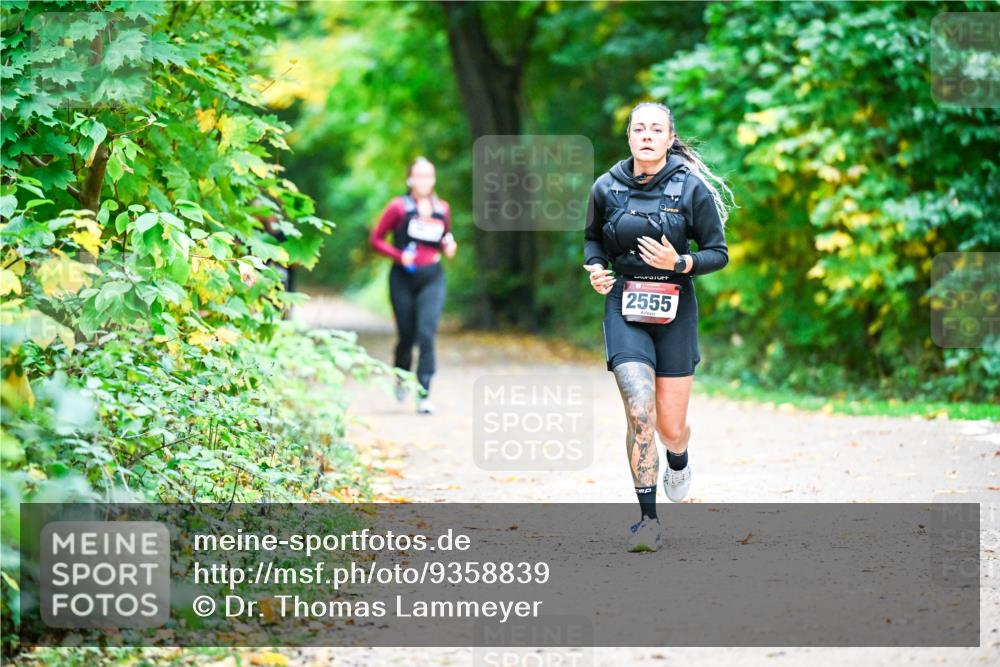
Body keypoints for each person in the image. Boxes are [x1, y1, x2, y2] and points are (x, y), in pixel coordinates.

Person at [583, 102, 735, 552]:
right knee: (639, 410)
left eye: (657, 129)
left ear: (670, 139)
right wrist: (595, 267)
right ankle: (647, 520)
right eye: (639, 128)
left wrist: (681, 261)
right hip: (625, 305)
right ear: (629, 137)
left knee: (670, 427)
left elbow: (718, 252)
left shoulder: (691, 189)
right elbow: (593, 238)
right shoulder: (605, 187)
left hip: (675, 309)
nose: (647, 135)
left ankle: (679, 456)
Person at [370, 156, 458, 414]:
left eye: (429, 175)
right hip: (402, 278)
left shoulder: (443, 208)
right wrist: (399, 256)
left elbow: (445, 239)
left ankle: (424, 393)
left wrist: (449, 246)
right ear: (410, 179)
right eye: (419, 175)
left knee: (426, 334)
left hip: (432, 277)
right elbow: (376, 239)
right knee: (406, 336)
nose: (424, 181)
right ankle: (401, 376)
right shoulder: (398, 207)